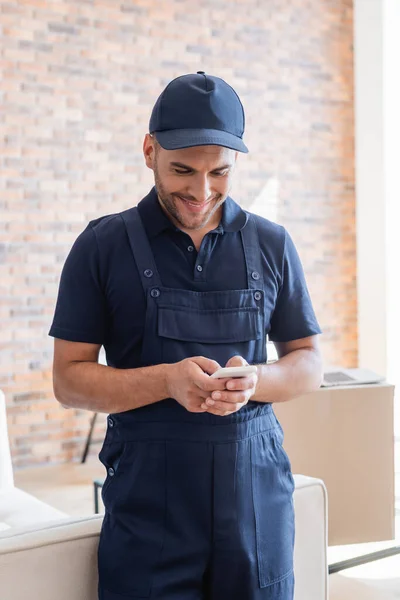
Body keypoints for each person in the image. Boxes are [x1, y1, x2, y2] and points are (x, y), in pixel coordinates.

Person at [49, 71, 323, 600]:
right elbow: (69, 381)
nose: (201, 192)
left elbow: (308, 361)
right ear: (149, 150)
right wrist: (167, 381)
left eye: (219, 172)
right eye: (182, 170)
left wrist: (256, 380)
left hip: (256, 507)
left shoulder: (272, 243)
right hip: (149, 514)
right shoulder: (101, 246)